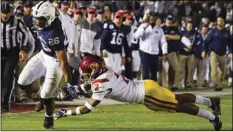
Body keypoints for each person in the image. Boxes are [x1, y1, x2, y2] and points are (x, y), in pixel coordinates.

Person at [54, 55, 222, 131]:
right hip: (146, 85)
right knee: (176, 98)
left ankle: (213, 117)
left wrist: (65, 113)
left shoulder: (100, 83)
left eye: (86, 72)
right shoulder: (107, 71)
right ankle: (210, 102)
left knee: (179, 106)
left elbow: (87, 108)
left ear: (93, 67)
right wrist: (77, 89)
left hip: (147, 96)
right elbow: (92, 85)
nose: (85, 76)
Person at [17, 1, 71, 129]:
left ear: (49, 18)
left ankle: (49, 116)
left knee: (47, 95)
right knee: (22, 82)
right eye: (36, 18)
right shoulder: (46, 20)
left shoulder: (55, 34)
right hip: (43, 54)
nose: (37, 22)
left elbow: (63, 61)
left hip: (55, 60)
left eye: (40, 19)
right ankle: (42, 97)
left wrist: (68, 84)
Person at [1, 2, 29, 113]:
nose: (5, 15)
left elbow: (25, 34)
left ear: (10, 12)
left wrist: (23, 49)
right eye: (3, 13)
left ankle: (5, 102)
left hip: (12, 52)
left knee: (7, 77)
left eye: (7, 13)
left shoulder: (16, 21)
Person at [134, 12, 167, 82]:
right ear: (148, 19)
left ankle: (153, 89)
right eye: (151, 19)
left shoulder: (159, 29)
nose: (152, 20)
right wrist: (143, 28)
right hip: (144, 51)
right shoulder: (143, 26)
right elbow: (136, 36)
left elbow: (163, 41)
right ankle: (145, 89)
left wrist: (164, 52)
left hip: (155, 52)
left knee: (154, 72)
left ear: (156, 19)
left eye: (154, 19)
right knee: (145, 72)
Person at [202, 16, 232, 91]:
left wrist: (231, 52)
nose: (220, 22)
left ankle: (220, 83)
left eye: (221, 21)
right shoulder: (212, 31)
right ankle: (217, 85)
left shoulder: (226, 32)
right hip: (213, 52)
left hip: (223, 53)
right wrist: (204, 51)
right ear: (217, 22)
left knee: (223, 71)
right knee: (214, 71)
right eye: (219, 21)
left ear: (223, 22)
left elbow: (230, 44)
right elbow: (206, 41)